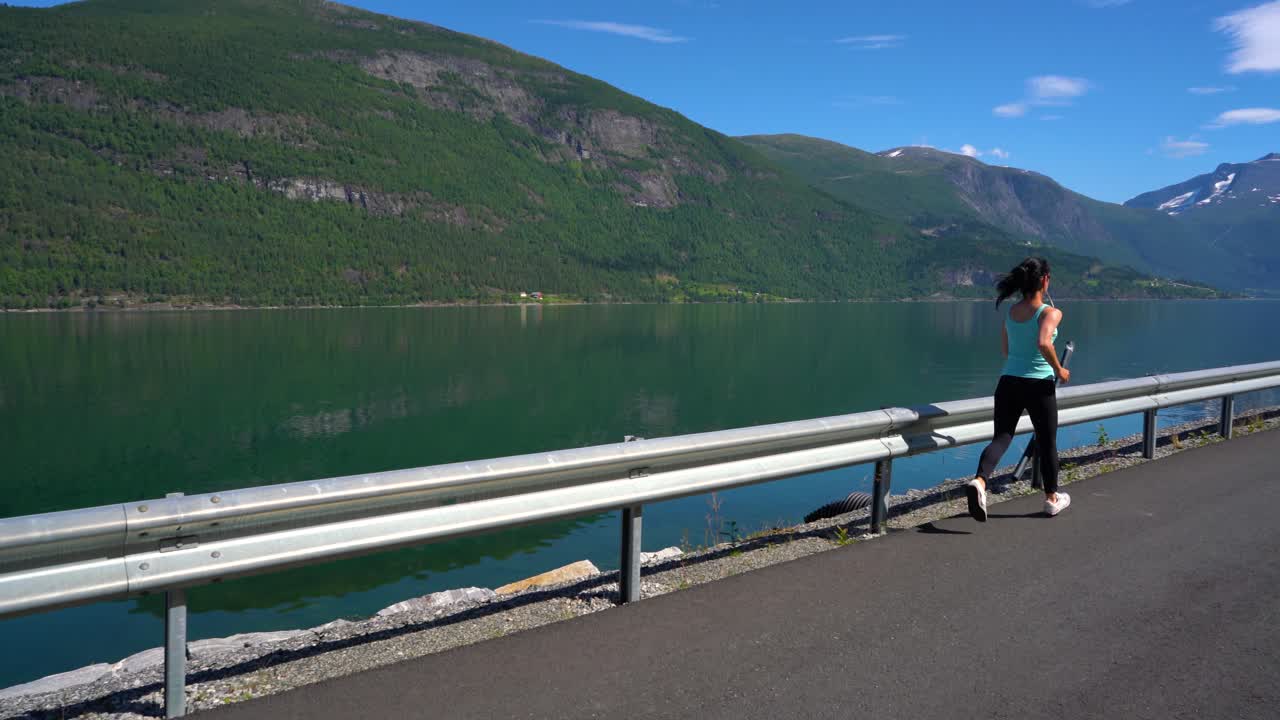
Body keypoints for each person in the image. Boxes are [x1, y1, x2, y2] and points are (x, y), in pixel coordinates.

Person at [966, 257, 1071, 521]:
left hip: (1008, 381)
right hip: (1039, 385)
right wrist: (1059, 369)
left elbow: (1006, 350)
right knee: (1047, 442)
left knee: (1002, 437)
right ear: (1045, 280)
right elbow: (1043, 342)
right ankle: (1051, 498)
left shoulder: (1012, 313)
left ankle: (979, 482)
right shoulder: (1050, 313)